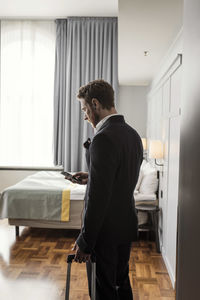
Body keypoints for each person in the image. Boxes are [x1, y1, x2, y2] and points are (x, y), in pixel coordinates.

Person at [70, 79, 143, 300]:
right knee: (121, 283)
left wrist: (86, 240)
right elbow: (120, 179)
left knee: (103, 291)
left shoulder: (102, 138)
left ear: (95, 103)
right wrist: (92, 177)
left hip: (105, 231)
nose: (84, 115)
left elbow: (98, 198)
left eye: (84, 109)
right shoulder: (133, 135)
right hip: (126, 225)